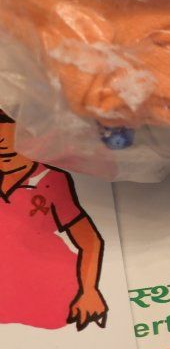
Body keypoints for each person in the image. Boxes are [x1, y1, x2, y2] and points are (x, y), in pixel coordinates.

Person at [0, 115, 109, 330]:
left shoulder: (50, 179)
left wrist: (89, 291)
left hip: (51, 292)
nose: (5, 154)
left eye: (11, 151)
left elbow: (90, 240)